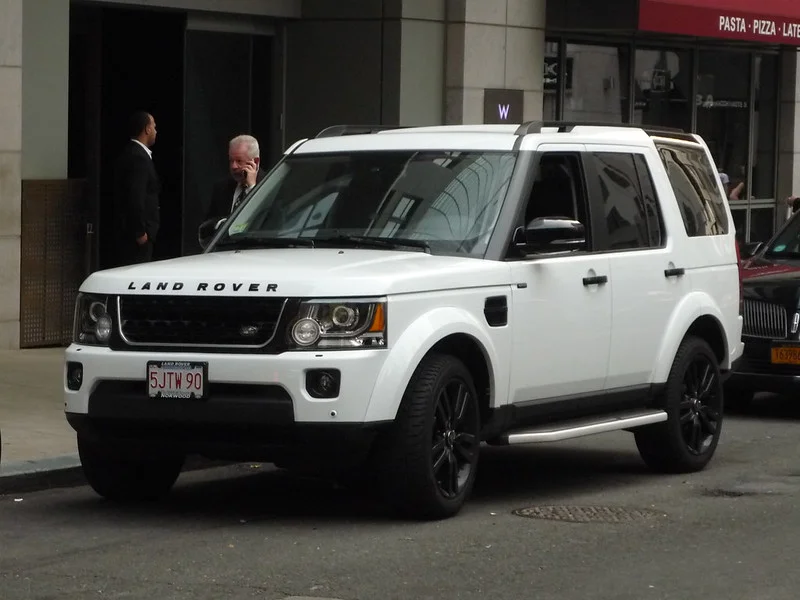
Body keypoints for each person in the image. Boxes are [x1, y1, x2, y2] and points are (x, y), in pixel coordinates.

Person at [112, 111, 160, 265]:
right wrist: (140, 233)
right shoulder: (138, 158)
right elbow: (135, 198)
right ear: (147, 129)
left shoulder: (131, 153)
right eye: (154, 126)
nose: (155, 131)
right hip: (137, 239)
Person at [206, 134, 266, 223]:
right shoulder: (221, 188)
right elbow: (209, 224)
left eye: (239, 161)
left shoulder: (271, 184)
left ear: (255, 162)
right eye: (231, 160)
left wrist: (252, 188)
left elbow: (267, 220)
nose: (233, 166)